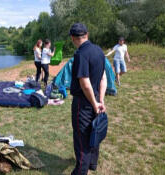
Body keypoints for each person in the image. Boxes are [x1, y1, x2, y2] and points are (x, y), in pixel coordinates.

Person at [69, 22, 107, 175]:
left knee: (82, 138)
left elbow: (85, 83)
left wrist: (93, 102)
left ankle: (80, 171)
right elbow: (104, 78)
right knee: (94, 131)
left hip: (83, 103)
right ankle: (92, 163)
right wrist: (100, 101)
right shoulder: (99, 51)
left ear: (72, 38)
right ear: (87, 35)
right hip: (96, 98)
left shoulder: (80, 54)